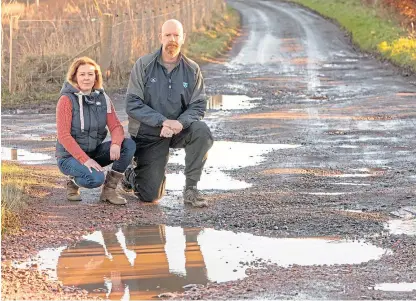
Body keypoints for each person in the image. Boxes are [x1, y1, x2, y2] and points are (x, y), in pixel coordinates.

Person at [123, 19, 213, 207]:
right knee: (151, 196)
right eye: (167, 35)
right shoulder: (144, 65)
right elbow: (132, 103)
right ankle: (132, 175)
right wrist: (162, 121)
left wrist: (180, 123)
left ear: (183, 38)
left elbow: (198, 105)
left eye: (176, 35)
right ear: (160, 37)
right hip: (149, 132)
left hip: (178, 129)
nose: (172, 39)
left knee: (201, 131)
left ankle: (191, 190)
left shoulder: (192, 69)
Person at [56, 56, 136, 205]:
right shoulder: (66, 100)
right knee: (95, 179)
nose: (86, 78)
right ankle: (73, 181)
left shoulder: (103, 98)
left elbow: (116, 127)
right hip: (69, 157)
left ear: (96, 77)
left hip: (92, 152)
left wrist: (116, 144)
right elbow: (63, 136)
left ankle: (109, 191)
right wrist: (85, 160)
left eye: (90, 74)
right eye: (82, 74)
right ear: (75, 77)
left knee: (128, 145)